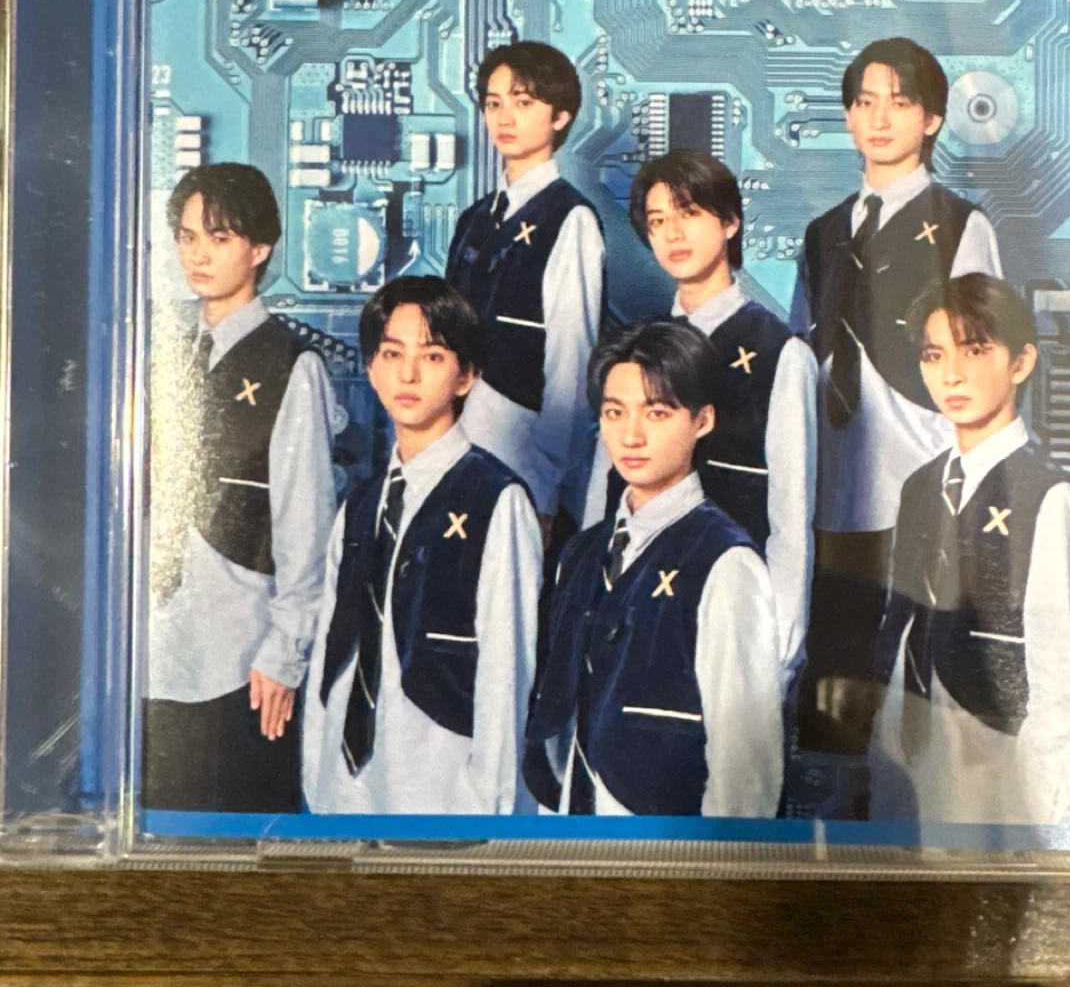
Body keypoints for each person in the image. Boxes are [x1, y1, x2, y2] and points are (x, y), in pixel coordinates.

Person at [789, 37, 1002, 749]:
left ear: (932, 119)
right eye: (865, 102)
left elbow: (987, 369)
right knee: (835, 688)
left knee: (915, 692)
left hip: (921, 482)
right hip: (834, 490)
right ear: (849, 117)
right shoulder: (823, 233)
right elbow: (800, 359)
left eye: (900, 103)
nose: (880, 118)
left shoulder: (962, 225)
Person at [303, 277, 543, 814]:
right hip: (346, 783)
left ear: (467, 376)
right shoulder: (360, 506)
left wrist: (486, 805)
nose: (407, 375)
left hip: (440, 779)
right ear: (371, 367)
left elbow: (507, 669)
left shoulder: (496, 500)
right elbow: (330, 650)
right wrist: (317, 778)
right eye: (392, 354)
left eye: (432, 357)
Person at [525, 321, 784, 817]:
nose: (632, 435)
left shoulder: (727, 562)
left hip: (665, 835)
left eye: (657, 413)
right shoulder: (581, 553)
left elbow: (746, 773)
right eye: (614, 412)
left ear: (703, 420)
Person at [581, 149, 817, 689]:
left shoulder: (781, 354)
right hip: (636, 603)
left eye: (688, 213)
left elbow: (791, 515)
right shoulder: (636, 349)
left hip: (730, 608)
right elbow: (605, 483)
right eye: (658, 220)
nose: (673, 233)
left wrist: (782, 646)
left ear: (730, 222)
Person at [145, 163, 338, 814]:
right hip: (154, 653)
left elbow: (306, 526)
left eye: (219, 237)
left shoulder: (291, 366)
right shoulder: (163, 355)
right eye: (187, 236)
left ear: (259, 249)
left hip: (241, 657)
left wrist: (285, 653)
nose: (197, 254)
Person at [869, 275, 1070, 824]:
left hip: (993, 745)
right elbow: (900, 620)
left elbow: (1059, 676)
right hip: (907, 734)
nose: (951, 374)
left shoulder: (1048, 497)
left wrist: (1045, 814)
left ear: (1020, 363)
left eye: (974, 350)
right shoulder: (921, 486)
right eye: (934, 355)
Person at [445, 41, 605, 534]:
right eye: (493, 103)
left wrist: (548, 479)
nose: (504, 117)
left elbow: (570, 360)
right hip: (454, 439)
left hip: (522, 446)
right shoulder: (475, 218)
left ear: (560, 116)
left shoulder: (570, 218)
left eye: (523, 102)